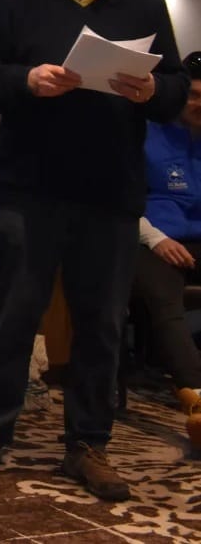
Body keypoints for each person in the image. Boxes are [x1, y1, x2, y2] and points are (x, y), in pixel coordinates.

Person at [0, 0, 188, 501]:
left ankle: (89, 445)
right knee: (14, 319)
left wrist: (151, 93)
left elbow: (179, 87)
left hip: (109, 194)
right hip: (28, 189)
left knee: (100, 325)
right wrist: (27, 79)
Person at [132, 50, 201, 451]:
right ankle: (196, 398)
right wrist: (155, 238)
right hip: (154, 241)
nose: (198, 104)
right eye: (192, 95)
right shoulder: (144, 132)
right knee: (164, 298)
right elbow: (120, 199)